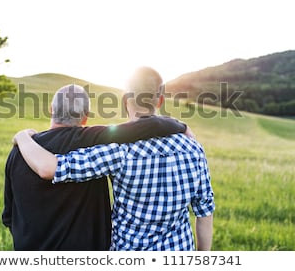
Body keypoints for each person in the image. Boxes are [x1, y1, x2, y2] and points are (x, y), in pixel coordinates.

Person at [14, 67, 215, 251]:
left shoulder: (118, 151)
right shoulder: (193, 149)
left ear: (124, 99)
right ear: (160, 100)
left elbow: (51, 168)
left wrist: (23, 137)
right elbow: (204, 212)